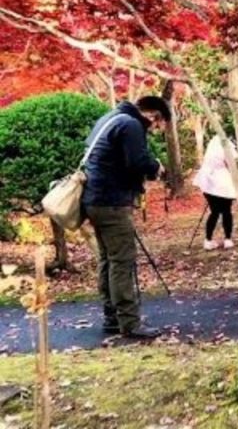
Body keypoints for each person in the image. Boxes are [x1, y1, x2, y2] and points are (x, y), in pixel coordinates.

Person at [82, 96, 170, 339]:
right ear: (155, 116)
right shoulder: (131, 125)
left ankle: (111, 316)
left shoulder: (110, 118)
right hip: (112, 201)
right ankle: (129, 323)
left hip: (94, 199)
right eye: (156, 126)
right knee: (122, 260)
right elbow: (137, 161)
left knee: (108, 259)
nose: (153, 130)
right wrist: (156, 168)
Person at [192, 134, 238, 250]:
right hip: (222, 181)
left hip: (207, 181)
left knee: (215, 212)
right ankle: (227, 239)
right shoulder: (226, 144)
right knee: (226, 211)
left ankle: (208, 240)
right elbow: (230, 163)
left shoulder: (211, 144)